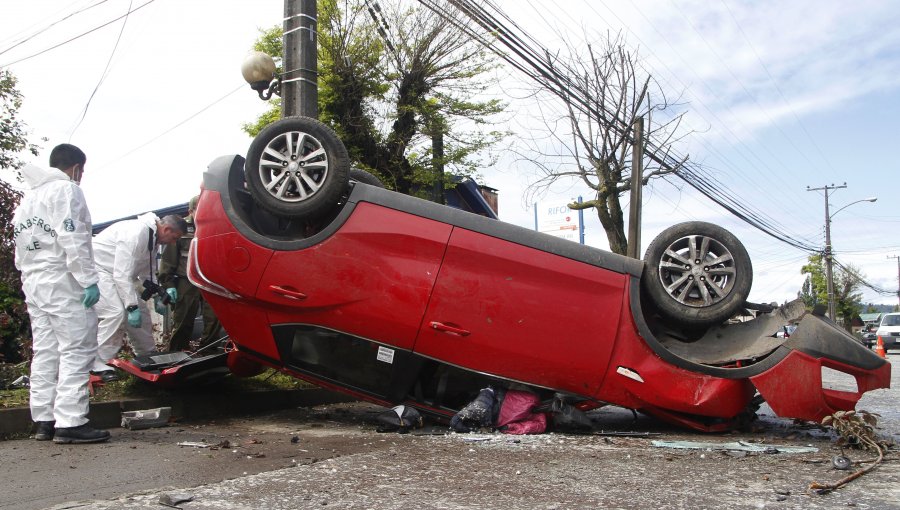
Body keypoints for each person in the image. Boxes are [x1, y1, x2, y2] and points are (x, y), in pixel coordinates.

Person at [12, 143, 110, 444]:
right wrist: (88, 280)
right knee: (76, 347)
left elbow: (19, 249)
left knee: (46, 351)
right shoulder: (67, 191)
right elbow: (74, 236)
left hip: (33, 280)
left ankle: (44, 419)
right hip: (61, 279)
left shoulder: (29, 199)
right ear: (77, 168)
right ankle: (70, 421)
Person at [90, 213, 187, 380]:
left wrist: (160, 293)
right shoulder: (136, 233)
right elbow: (122, 274)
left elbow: (146, 273)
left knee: (141, 312)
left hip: (116, 274)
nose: (173, 242)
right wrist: (131, 306)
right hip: (99, 269)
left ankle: (147, 355)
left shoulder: (153, 238)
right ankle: (98, 362)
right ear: (166, 229)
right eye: (174, 237)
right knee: (116, 312)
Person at [158, 195, 223, 352]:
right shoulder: (180, 228)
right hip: (186, 281)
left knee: (214, 318)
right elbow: (168, 260)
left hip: (210, 281)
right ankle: (176, 353)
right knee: (183, 320)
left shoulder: (217, 226)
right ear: (191, 210)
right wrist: (167, 284)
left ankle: (208, 351)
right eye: (199, 209)